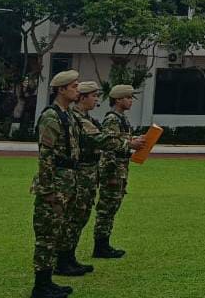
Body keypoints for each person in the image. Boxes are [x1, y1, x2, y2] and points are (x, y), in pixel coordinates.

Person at [30, 70, 81, 298]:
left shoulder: (67, 115)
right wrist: (48, 188)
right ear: (61, 89)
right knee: (47, 234)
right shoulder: (51, 117)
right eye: (73, 86)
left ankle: (48, 280)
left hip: (66, 180)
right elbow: (46, 155)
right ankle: (40, 285)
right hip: (55, 182)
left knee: (57, 230)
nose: (77, 90)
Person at [94, 84, 146, 259]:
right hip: (112, 168)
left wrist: (133, 141)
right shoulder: (112, 119)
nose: (131, 101)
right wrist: (130, 144)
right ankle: (100, 245)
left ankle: (104, 243)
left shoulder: (120, 119)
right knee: (107, 207)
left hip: (119, 168)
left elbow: (119, 140)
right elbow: (108, 143)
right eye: (128, 98)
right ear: (118, 100)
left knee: (112, 206)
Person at [58, 81, 103, 277]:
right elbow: (99, 139)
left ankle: (69, 257)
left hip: (89, 173)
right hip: (81, 174)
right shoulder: (76, 118)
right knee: (74, 217)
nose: (96, 99)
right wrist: (129, 143)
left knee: (81, 216)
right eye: (93, 95)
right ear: (82, 97)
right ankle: (63, 259)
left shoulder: (85, 117)